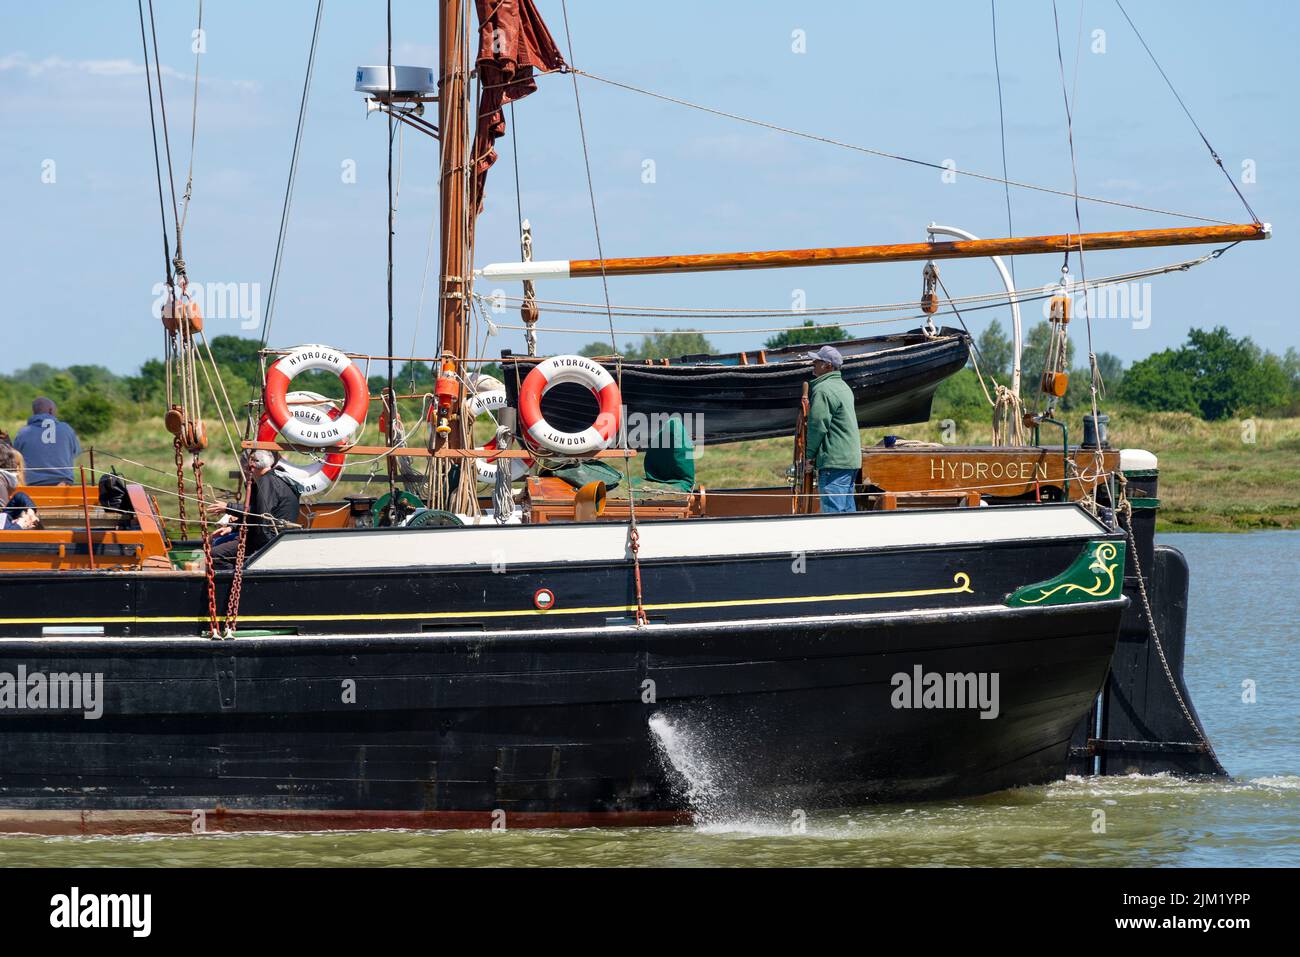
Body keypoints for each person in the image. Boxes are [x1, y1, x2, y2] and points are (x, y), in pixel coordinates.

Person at [206, 450, 301, 566]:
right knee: (218, 543)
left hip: (269, 540)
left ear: (253, 464)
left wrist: (228, 507)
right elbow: (257, 512)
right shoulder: (273, 478)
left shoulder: (267, 481)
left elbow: (262, 514)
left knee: (214, 555)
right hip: (271, 537)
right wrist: (233, 527)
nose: (245, 468)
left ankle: (238, 580)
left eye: (248, 463)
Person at [802, 344, 862, 513]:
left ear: (828, 365)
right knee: (847, 514)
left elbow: (817, 426)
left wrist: (809, 457)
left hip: (833, 461)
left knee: (833, 517)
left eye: (818, 361)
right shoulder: (843, 387)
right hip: (850, 460)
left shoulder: (823, 389)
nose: (813, 362)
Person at [12, 397, 81, 486]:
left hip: (30, 486)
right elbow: (75, 453)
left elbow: (15, 458)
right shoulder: (67, 429)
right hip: (62, 484)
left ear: (34, 412)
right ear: (51, 410)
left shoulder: (23, 433)